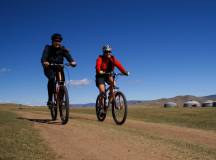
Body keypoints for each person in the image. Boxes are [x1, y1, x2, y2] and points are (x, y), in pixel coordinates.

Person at [41, 33, 77, 106]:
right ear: (52, 41)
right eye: (56, 40)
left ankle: (60, 100)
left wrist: (72, 62)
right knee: (51, 79)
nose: (57, 42)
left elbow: (69, 57)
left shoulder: (62, 49)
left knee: (62, 83)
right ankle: (50, 99)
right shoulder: (48, 48)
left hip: (59, 68)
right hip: (49, 68)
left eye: (59, 41)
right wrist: (45, 62)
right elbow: (43, 57)